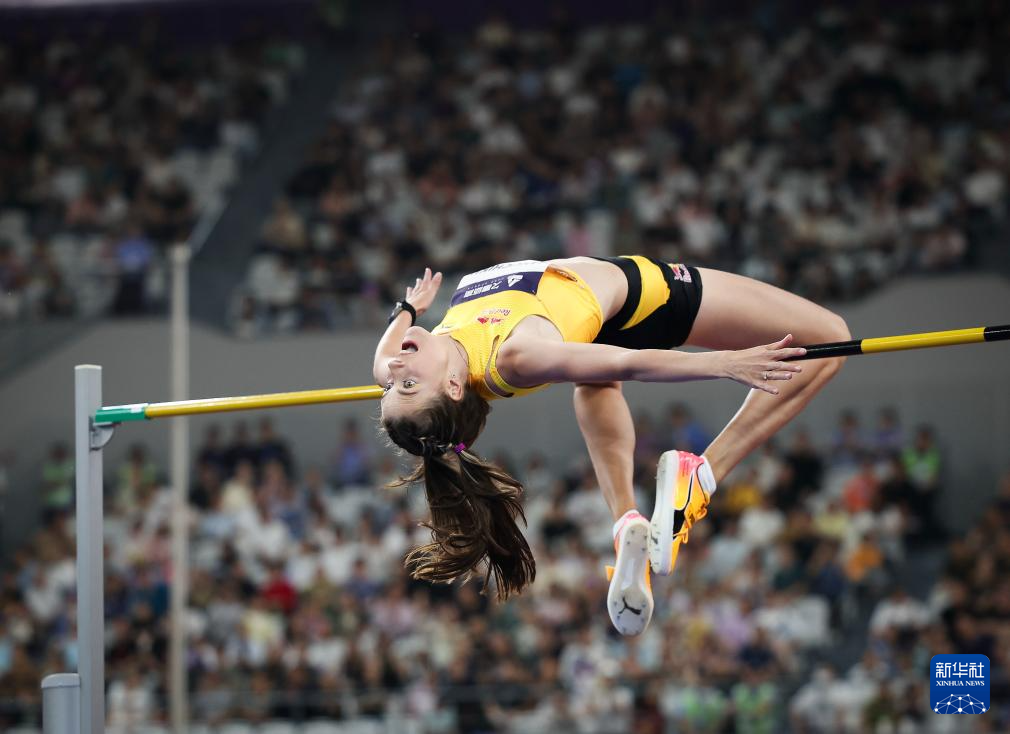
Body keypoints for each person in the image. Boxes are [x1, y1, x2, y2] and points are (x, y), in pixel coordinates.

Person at [373, 256, 848, 635]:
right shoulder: (515, 356)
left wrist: (409, 308)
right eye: (407, 385)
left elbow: (383, 356)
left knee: (593, 379)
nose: (395, 372)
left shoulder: (402, 362)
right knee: (832, 337)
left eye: (391, 388)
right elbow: (629, 362)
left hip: (592, 322)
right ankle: (704, 475)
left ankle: (626, 523)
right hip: (647, 298)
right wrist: (723, 364)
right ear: (454, 387)